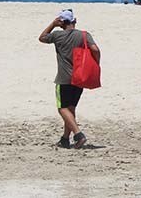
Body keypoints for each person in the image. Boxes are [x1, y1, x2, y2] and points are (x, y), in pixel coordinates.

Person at [38, 9, 101, 149]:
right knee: (71, 109)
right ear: (75, 21)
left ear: (61, 23)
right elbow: (95, 50)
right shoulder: (84, 35)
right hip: (80, 77)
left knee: (62, 109)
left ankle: (78, 135)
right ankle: (65, 139)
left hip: (64, 78)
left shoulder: (57, 35)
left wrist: (53, 25)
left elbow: (42, 38)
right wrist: (96, 63)